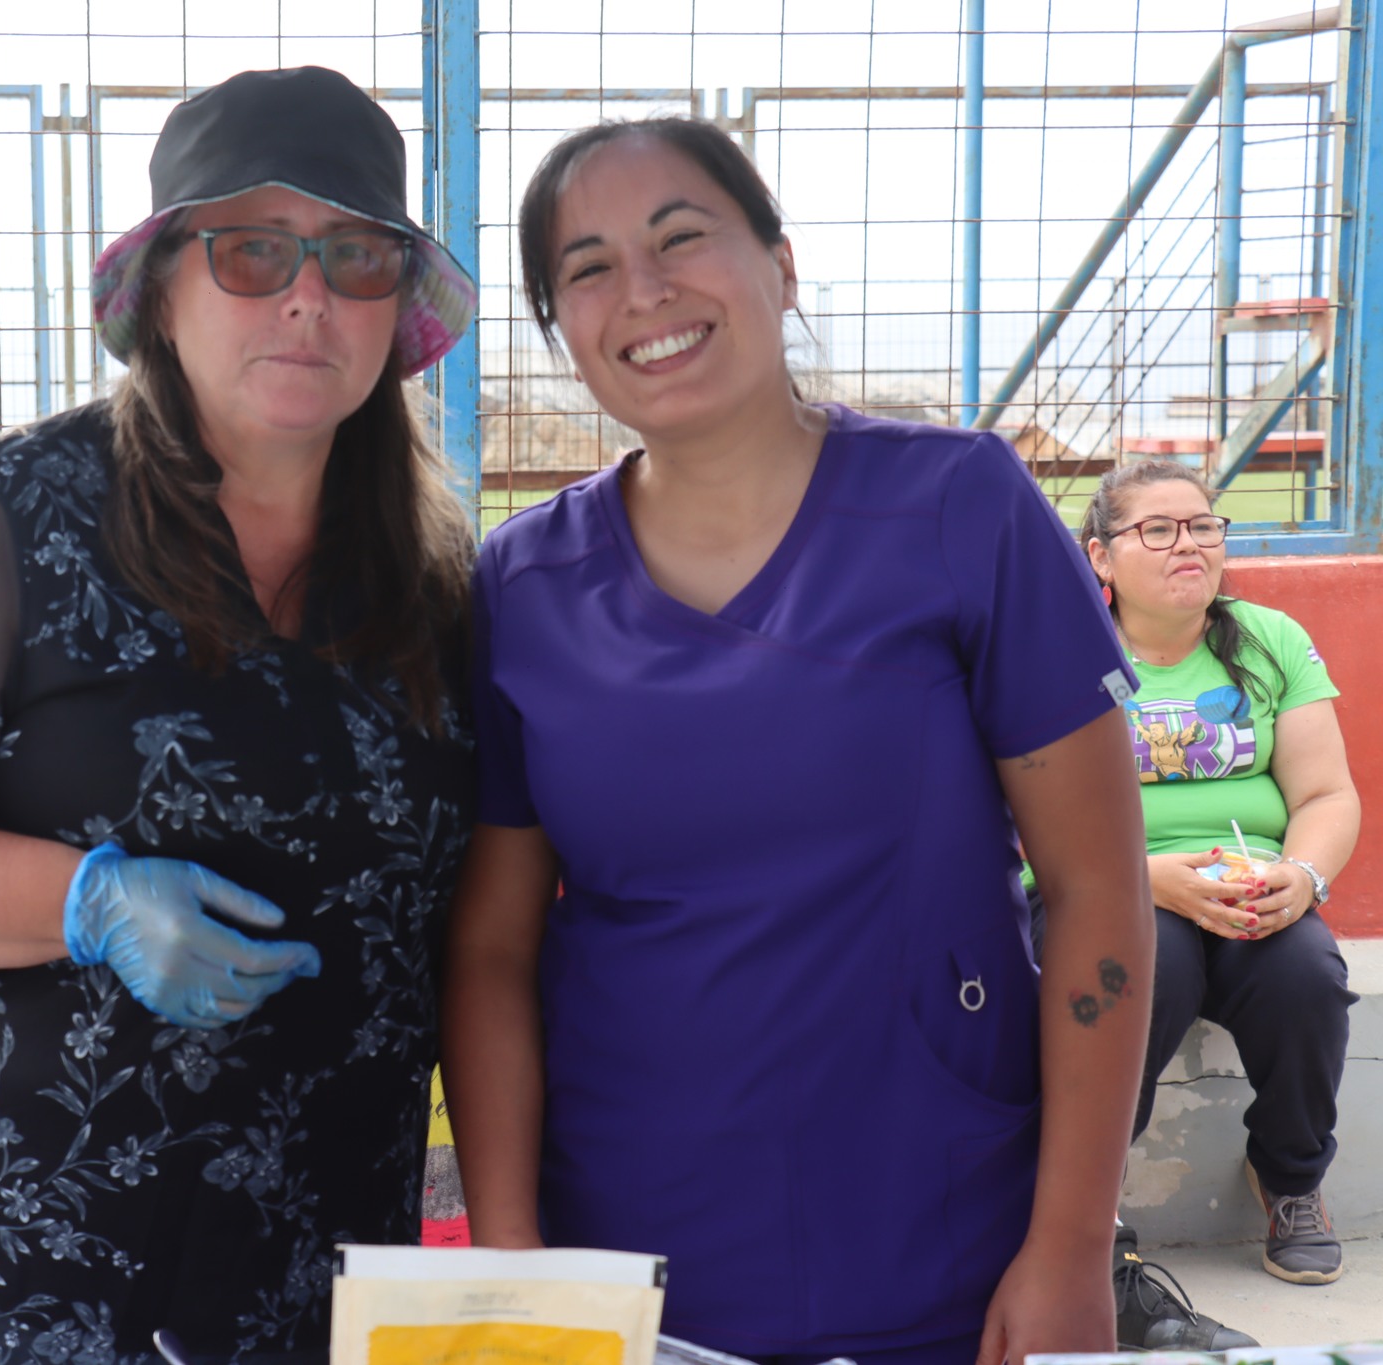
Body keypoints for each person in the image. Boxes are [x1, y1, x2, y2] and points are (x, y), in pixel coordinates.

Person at [0, 66, 478, 1365]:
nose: (309, 296)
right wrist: (83, 899)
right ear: (162, 292)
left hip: (304, 1288)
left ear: (396, 306)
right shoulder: (12, 518)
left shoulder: (432, 585)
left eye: (357, 257)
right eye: (253, 252)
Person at [441, 117, 1154, 1364]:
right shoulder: (522, 583)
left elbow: (1096, 890)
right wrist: (507, 1244)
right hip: (626, 1245)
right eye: (588, 267)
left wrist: (1070, 1247)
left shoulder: (959, 506)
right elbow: (492, 947)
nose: (645, 292)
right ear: (557, 332)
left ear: (777, 264)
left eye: (681, 237)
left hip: (941, 1230)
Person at [1068, 459, 1360, 1307]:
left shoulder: (1267, 639)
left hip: (1249, 882)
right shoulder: (1063, 646)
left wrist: (1300, 876)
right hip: (1107, 884)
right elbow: (1017, 811)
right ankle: (1090, 1195)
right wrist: (1135, 878)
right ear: (1102, 557)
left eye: (1203, 525)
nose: (1187, 543)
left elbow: (1325, 793)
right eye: (1156, 529)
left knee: (1307, 975)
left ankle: (1292, 1177)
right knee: (1151, 961)